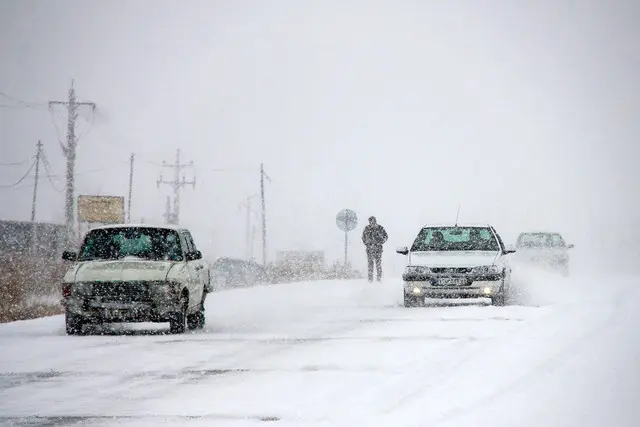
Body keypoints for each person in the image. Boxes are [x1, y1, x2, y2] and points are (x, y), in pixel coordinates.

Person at [361, 216, 388, 282]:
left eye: (372, 221)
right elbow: (363, 238)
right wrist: (367, 244)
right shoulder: (367, 228)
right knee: (370, 265)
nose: (371, 223)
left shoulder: (380, 228)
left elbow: (386, 237)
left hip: (378, 250)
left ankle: (378, 280)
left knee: (378, 265)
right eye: (370, 221)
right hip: (369, 250)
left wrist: (380, 242)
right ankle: (370, 280)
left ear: (375, 221)